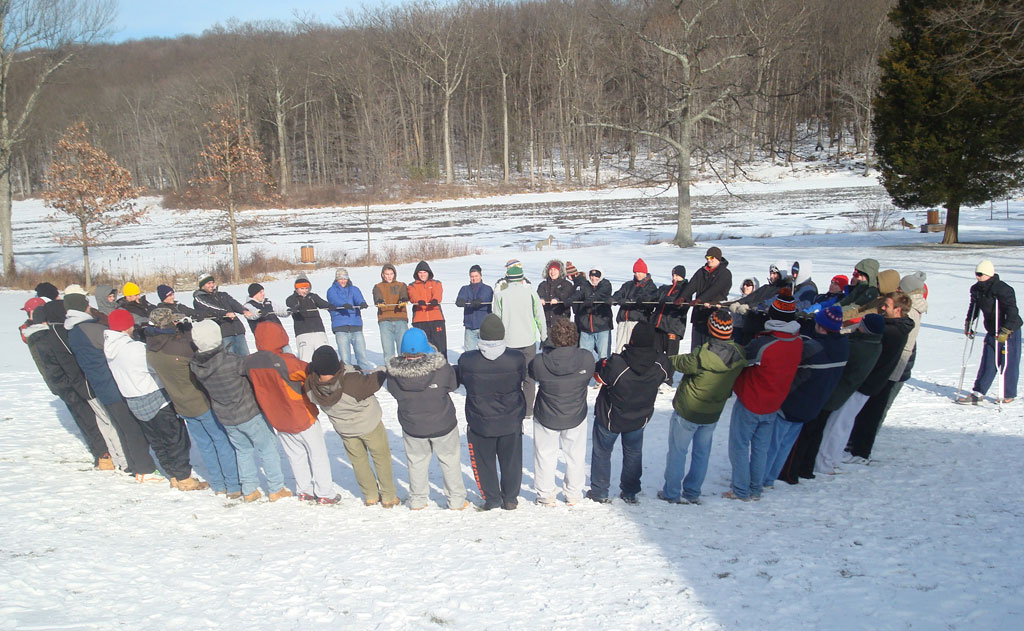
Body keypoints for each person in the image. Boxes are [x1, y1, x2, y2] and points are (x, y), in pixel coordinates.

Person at [144, 308, 243, 497]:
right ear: (170, 324)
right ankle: (233, 485)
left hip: (180, 403)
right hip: (200, 401)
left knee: (205, 444)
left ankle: (219, 484)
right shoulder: (180, 348)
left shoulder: (150, 348)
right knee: (221, 441)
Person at [103, 309, 205, 491]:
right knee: (175, 438)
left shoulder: (110, 348)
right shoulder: (135, 349)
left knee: (157, 441)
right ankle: (184, 478)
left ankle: (173, 475)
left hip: (134, 400)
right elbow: (157, 367)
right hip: (155, 398)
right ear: (127, 326)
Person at [190, 320, 290, 503]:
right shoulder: (234, 362)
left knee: (242, 451)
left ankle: (249, 489)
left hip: (226, 417)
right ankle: (276, 488)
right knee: (267, 448)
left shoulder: (196, 367)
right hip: (249, 413)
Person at [64, 291, 158, 480]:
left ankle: (132, 465)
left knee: (122, 427)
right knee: (131, 428)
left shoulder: (73, 330)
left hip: (100, 386)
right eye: (87, 305)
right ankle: (144, 469)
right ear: (82, 308)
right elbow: (116, 346)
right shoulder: (90, 330)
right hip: (113, 385)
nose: (90, 307)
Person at [658, 309, 746, 505]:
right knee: (702, 453)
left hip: (689, 409)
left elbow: (681, 363)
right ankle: (692, 492)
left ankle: (671, 493)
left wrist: (668, 358)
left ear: (711, 329)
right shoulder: (739, 354)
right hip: (713, 412)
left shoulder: (702, 355)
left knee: (678, 452)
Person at [245, 321, 339, 504]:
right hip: (301, 414)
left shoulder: (250, 362)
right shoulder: (286, 361)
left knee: (295, 456)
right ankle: (325, 492)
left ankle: (304, 490)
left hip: (278, 418)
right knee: (317, 454)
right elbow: (308, 370)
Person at [725, 291, 803, 501]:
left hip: (752, 399)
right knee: (760, 448)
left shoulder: (766, 344)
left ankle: (741, 489)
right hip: (774, 402)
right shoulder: (797, 342)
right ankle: (755, 488)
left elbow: (741, 358)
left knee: (739, 445)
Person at [764, 304, 849, 487]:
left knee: (774, 443)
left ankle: (763, 477)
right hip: (815, 404)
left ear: (821, 327)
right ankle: (773, 476)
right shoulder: (843, 345)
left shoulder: (814, 347)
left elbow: (789, 356)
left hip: (794, 400)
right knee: (787, 443)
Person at [305, 346, 399, 508]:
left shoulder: (311, 386)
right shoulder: (351, 382)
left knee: (359, 462)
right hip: (370, 425)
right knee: (381, 458)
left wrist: (348, 370)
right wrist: (382, 369)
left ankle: (370, 495)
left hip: (346, 430)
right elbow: (374, 381)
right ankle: (389, 496)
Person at [587, 322, 670, 505]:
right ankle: (630, 492)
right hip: (639, 417)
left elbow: (598, 376)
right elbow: (666, 375)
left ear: (632, 339)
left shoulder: (618, 363)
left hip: (611, 417)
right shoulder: (660, 363)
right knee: (633, 453)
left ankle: (600, 491)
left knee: (602, 452)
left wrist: (602, 363)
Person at [385, 327, 468, 510]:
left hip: (413, 427)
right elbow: (453, 385)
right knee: (450, 460)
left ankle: (418, 500)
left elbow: (394, 392)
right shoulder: (441, 368)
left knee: (416, 463)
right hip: (443, 424)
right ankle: (456, 500)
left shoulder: (393, 374)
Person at [22, 298, 110, 468]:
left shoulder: (35, 335)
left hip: (59, 384)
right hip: (67, 383)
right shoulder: (46, 337)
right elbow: (62, 361)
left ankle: (100, 454)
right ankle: (103, 454)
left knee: (82, 419)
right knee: (89, 419)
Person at [456, 314, 526, 510]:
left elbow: (461, 380)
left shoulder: (467, 360)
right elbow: (523, 376)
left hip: (481, 421)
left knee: (484, 462)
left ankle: (492, 498)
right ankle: (510, 498)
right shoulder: (516, 358)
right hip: (510, 419)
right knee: (511, 461)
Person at [529, 317, 594, 506]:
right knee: (575, 455)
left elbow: (533, 374)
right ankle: (573, 493)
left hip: (548, 414)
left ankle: (546, 494)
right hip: (574, 413)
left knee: (544, 454)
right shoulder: (586, 358)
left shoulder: (540, 361)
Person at [843, 292, 915, 463]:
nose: (882, 308)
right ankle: (855, 447)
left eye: (887, 306)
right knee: (865, 415)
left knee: (869, 417)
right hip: (878, 378)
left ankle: (861, 453)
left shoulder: (892, 331)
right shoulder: (895, 326)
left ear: (897, 310)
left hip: (876, 378)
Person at [810, 314, 885, 475]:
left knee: (834, 427)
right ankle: (832, 460)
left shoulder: (859, 346)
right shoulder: (874, 344)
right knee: (842, 426)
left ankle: (824, 463)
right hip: (853, 390)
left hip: (845, 391)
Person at [958, 260, 1020, 405]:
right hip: (992, 330)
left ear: (989, 274)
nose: (977, 277)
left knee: (1007, 363)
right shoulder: (976, 289)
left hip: (1009, 329)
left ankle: (1008, 393)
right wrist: (969, 322)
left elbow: (1012, 311)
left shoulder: (1003, 289)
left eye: (980, 274)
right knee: (988, 361)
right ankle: (978, 393)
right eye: (976, 274)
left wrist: (1006, 329)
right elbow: (973, 306)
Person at [493, 260, 546, 418]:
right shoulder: (530, 292)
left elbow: (496, 318)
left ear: (507, 278)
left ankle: (512, 408)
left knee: (511, 378)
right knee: (529, 377)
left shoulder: (500, 294)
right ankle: (529, 410)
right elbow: (539, 315)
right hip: (528, 340)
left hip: (508, 343)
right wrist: (544, 336)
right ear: (522, 277)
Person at [679, 246, 732, 350]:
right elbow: (692, 285)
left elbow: (715, 289)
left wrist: (700, 300)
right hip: (699, 315)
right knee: (696, 347)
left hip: (714, 315)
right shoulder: (701, 271)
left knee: (710, 348)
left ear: (718, 258)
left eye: (711, 258)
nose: (709, 260)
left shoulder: (725, 273)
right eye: (707, 257)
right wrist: (683, 297)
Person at [192, 272, 252, 356]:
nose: (212, 285)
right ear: (202, 285)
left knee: (246, 359)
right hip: (223, 334)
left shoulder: (223, 295)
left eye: (212, 282)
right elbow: (210, 308)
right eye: (208, 283)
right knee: (230, 361)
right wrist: (225, 313)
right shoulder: (199, 299)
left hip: (237, 330)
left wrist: (243, 310)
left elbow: (234, 303)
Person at [326, 268, 373, 369]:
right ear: (336, 279)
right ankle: (347, 375)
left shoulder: (354, 289)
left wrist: (361, 303)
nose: (343, 281)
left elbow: (358, 297)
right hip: (340, 326)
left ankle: (366, 374)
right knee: (345, 357)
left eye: (345, 278)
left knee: (362, 355)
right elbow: (334, 299)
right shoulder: (331, 290)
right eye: (340, 279)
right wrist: (343, 304)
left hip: (355, 324)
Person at [611, 258, 660, 354]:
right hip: (623, 320)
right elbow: (619, 293)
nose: (638, 274)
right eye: (636, 272)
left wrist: (630, 301)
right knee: (619, 349)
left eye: (640, 272)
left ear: (645, 272)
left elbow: (646, 299)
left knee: (633, 349)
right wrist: (615, 299)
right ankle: (619, 366)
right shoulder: (628, 285)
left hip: (637, 322)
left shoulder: (650, 286)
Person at [651, 265, 689, 385]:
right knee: (656, 352)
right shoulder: (665, 288)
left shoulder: (686, 289)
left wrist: (670, 300)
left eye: (677, 275)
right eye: (673, 275)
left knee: (671, 355)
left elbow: (683, 306)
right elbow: (654, 296)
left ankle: (668, 379)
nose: (675, 278)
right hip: (659, 325)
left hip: (673, 326)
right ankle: (657, 376)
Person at [286, 273, 332, 363]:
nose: (304, 291)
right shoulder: (292, 298)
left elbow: (323, 304)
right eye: (302, 288)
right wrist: (295, 307)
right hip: (303, 333)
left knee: (325, 357)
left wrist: (331, 306)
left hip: (318, 331)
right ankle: (307, 376)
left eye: (306, 288)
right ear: (296, 288)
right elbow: (291, 304)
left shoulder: (313, 297)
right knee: (306, 359)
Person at [408, 260, 447, 357]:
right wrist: (419, 301)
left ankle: (443, 367)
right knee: (422, 346)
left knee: (440, 345)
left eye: (424, 272)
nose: (422, 275)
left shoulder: (436, 283)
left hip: (436, 319)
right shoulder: (412, 286)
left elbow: (438, 293)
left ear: (428, 273)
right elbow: (413, 296)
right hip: (420, 320)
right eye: (420, 272)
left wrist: (435, 300)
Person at [372, 263, 410, 362]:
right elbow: (377, 295)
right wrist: (379, 301)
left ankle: (404, 371)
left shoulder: (401, 285)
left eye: (391, 274)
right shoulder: (378, 286)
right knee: (388, 350)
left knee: (403, 349)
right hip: (385, 320)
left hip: (400, 319)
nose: (389, 276)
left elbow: (404, 293)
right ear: (383, 275)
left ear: (394, 274)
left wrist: (403, 299)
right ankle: (390, 372)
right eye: (386, 274)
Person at [573, 268, 614, 360]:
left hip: (602, 326)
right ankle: (585, 372)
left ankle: (602, 373)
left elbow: (601, 294)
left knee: (603, 356)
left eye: (596, 276)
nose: (593, 278)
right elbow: (577, 296)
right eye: (591, 276)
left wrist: (591, 299)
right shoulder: (584, 285)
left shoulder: (605, 285)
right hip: (586, 327)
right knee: (584, 357)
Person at [455, 264, 493, 351]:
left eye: (476, 276)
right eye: (472, 276)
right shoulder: (465, 289)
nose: (474, 278)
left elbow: (485, 297)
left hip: (484, 327)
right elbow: (461, 297)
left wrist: (478, 301)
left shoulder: (487, 288)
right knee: (469, 352)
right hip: (470, 327)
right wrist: (461, 301)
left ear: (480, 276)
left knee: (486, 351)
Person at [537, 260, 574, 333]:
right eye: (551, 270)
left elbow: (566, 294)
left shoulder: (566, 284)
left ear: (560, 271)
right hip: (547, 322)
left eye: (555, 270)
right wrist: (540, 299)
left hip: (562, 323)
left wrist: (558, 299)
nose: (552, 272)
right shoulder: (543, 285)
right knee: (547, 343)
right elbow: (538, 294)